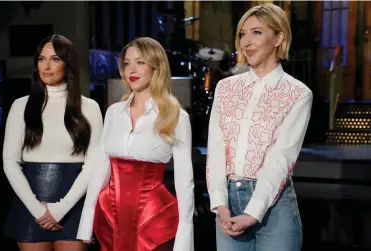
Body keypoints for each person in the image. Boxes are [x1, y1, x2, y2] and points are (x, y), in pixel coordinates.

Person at [206, 4, 312, 251]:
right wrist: (220, 204)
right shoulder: (226, 88)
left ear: (278, 37)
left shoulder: (297, 93)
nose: (246, 42)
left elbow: (281, 158)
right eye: (242, 34)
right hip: (228, 207)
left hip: (275, 207)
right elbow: (216, 148)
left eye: (256, 32)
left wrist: (253, 212)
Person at [77, 37, 195, 251]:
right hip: (110, 217)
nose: (132, 69)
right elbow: (100, 169)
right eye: (127, 62)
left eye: (140, 62)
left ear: (156, 66)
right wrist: (86, 222)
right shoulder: (114, 112)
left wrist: (185, 241)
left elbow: (184, 181)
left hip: (154, 219)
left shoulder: (176, 115)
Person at [3, 34, 103, 251]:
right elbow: (10, 162)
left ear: (68, 64)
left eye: (55, 59)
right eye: (41, 59)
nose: (46, 66)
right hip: (30, 205)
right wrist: (38, 210)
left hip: (73, 204)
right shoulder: (21, 106)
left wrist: (61, 209)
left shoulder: (90, 108)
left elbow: (94, 164)